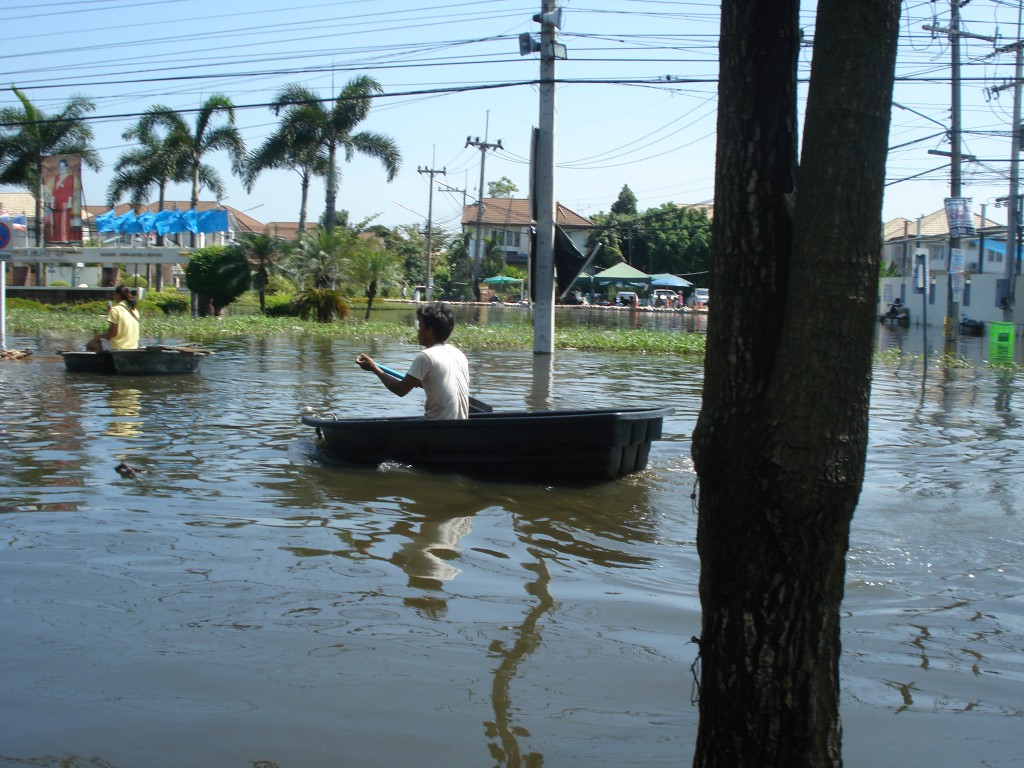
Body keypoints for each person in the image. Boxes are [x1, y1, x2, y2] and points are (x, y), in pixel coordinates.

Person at [356, 301, 470, 420]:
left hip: (436, 429)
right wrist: (419, 381)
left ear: (429, 331)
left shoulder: (426, 356)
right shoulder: (459, 354)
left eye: (420, 325)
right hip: (461, 427)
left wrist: (374, 369)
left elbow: (400, 390)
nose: (418, 330)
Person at [86, 285, 140, 351]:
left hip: (119, 346)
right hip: (133, 346)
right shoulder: (135, 311)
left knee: (91, 344)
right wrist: (111, 312)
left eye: (115, 294)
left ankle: (103, 360)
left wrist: (97, 337)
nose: (113, 296)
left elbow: (112, 334)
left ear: (119, 296)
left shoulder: (115, 310)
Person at [45, 158, 76, 243]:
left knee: (64, 222)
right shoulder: (57, 178)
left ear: (66, 167)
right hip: (56, 203)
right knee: (56, 221)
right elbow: (54, 191)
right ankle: (58, 238)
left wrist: (69, 203)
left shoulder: (70, 177)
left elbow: (70, 191)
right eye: (60, 166)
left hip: (65, 203)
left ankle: (65, 238)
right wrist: (52, 202)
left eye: (63, 166)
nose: (61, 168)